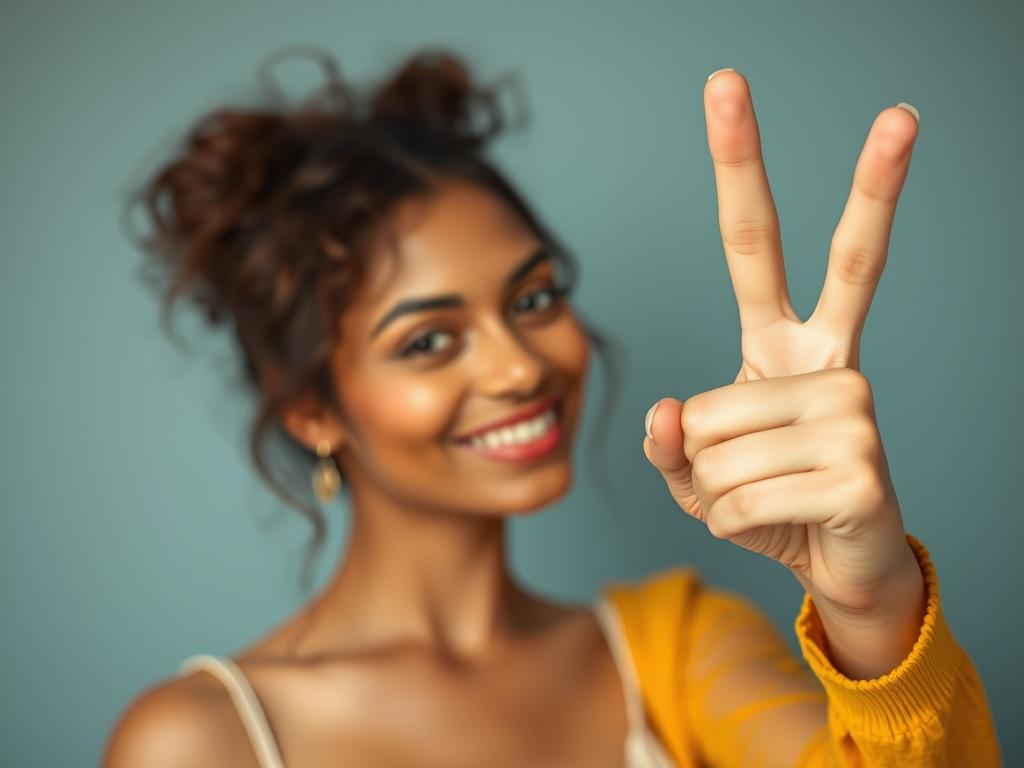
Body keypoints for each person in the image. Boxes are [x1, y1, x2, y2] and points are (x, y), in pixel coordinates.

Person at [102, 47, 1000, 767]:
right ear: (311, 412)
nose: (521, 368)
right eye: (428, 341)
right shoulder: (196, 743)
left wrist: (874, 607)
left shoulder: (682, 649)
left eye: (531, 300)